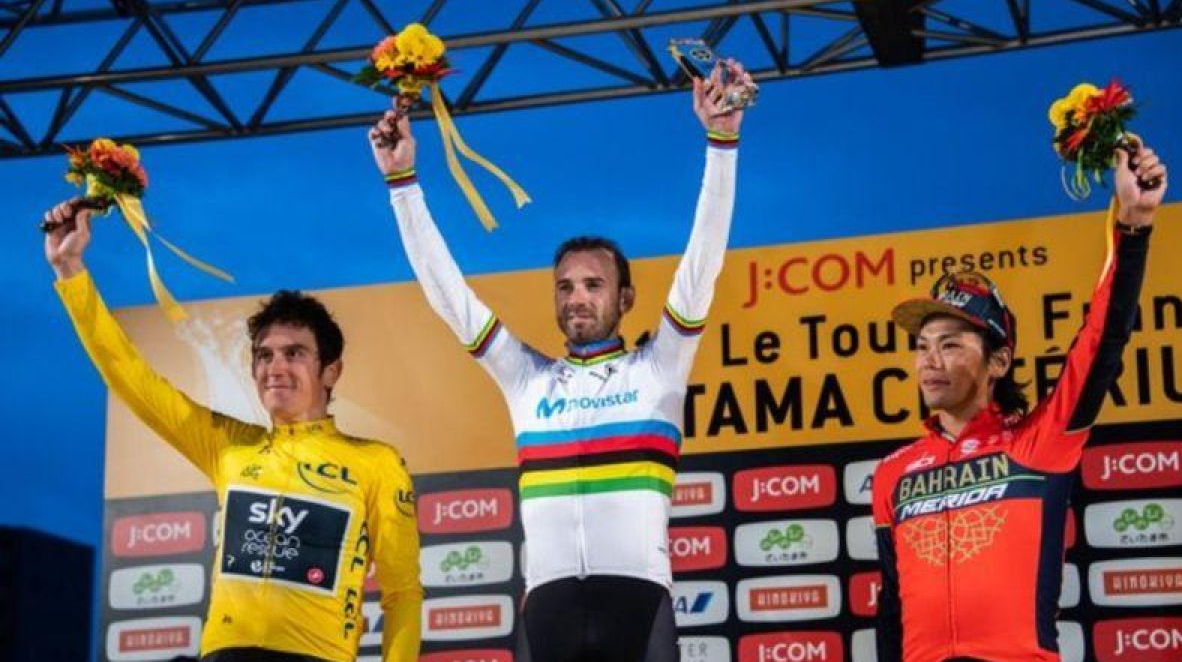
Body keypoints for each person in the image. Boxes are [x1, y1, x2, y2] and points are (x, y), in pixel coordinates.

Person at [369, 62, 753, 662]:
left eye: (594, 285)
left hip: (638, 606)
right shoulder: (526, 378)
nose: (577, 297)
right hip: (545, 611)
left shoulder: (658, 369)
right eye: (566, 286)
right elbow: (450, 297)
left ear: (625, 298)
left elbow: (702, 262)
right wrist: (403, 184)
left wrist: (721, 143)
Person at [44, 201, 421, 662]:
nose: (276, 367)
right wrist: (70, 270)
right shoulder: (229, 445)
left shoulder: (376, 462)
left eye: (295, 354)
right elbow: (130, 376)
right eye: (265, 355)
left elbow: (402, 594)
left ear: (331, 371)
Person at [872, 140, 1168, 661]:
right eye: (921, 347)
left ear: (999, 362)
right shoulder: (893, 473)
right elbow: (892, 610)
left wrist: (1133, 225)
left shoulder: (1039, 443)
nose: (929, 361)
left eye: (951, 345)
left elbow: (1102, 343)